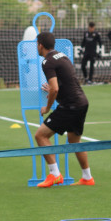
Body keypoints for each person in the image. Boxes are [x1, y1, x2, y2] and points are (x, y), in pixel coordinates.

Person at [33, 32, 94, 188]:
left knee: (40, 136)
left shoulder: (47, 62)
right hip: (82, 102)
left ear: (40, 45)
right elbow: (63, 83)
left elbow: (54, 89)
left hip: (70, 105)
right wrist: (54, 89)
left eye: (36, 44)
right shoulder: (62, 56)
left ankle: (55, 175)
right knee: (74, 141)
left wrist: (47, 108)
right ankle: (87, 177)